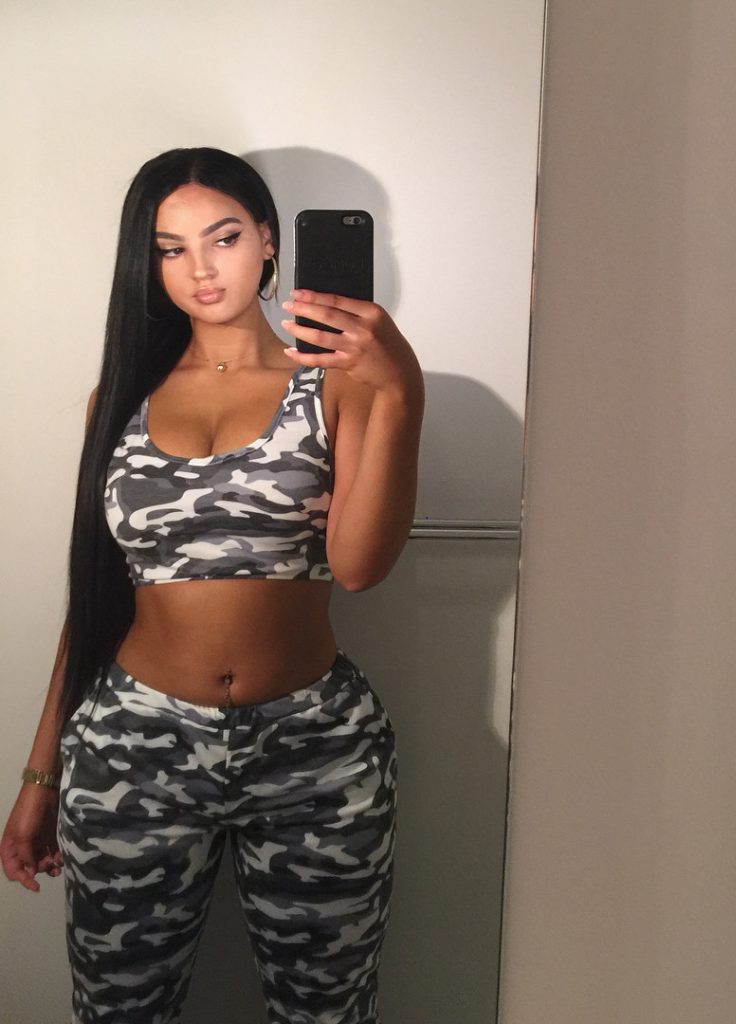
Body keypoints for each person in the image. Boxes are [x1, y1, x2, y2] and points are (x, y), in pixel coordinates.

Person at [0, 147, 424, 1024]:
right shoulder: (121, 397)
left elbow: (358, 567)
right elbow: (96, 598)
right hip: (134, 748)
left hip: (314, 751)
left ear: (268, 240)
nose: (200, 268)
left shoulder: (340, 382)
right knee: (119, 1009)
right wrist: (41, 772)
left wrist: (401, 393)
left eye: (223, 237)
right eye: (170, 248)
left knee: (328, 1012)